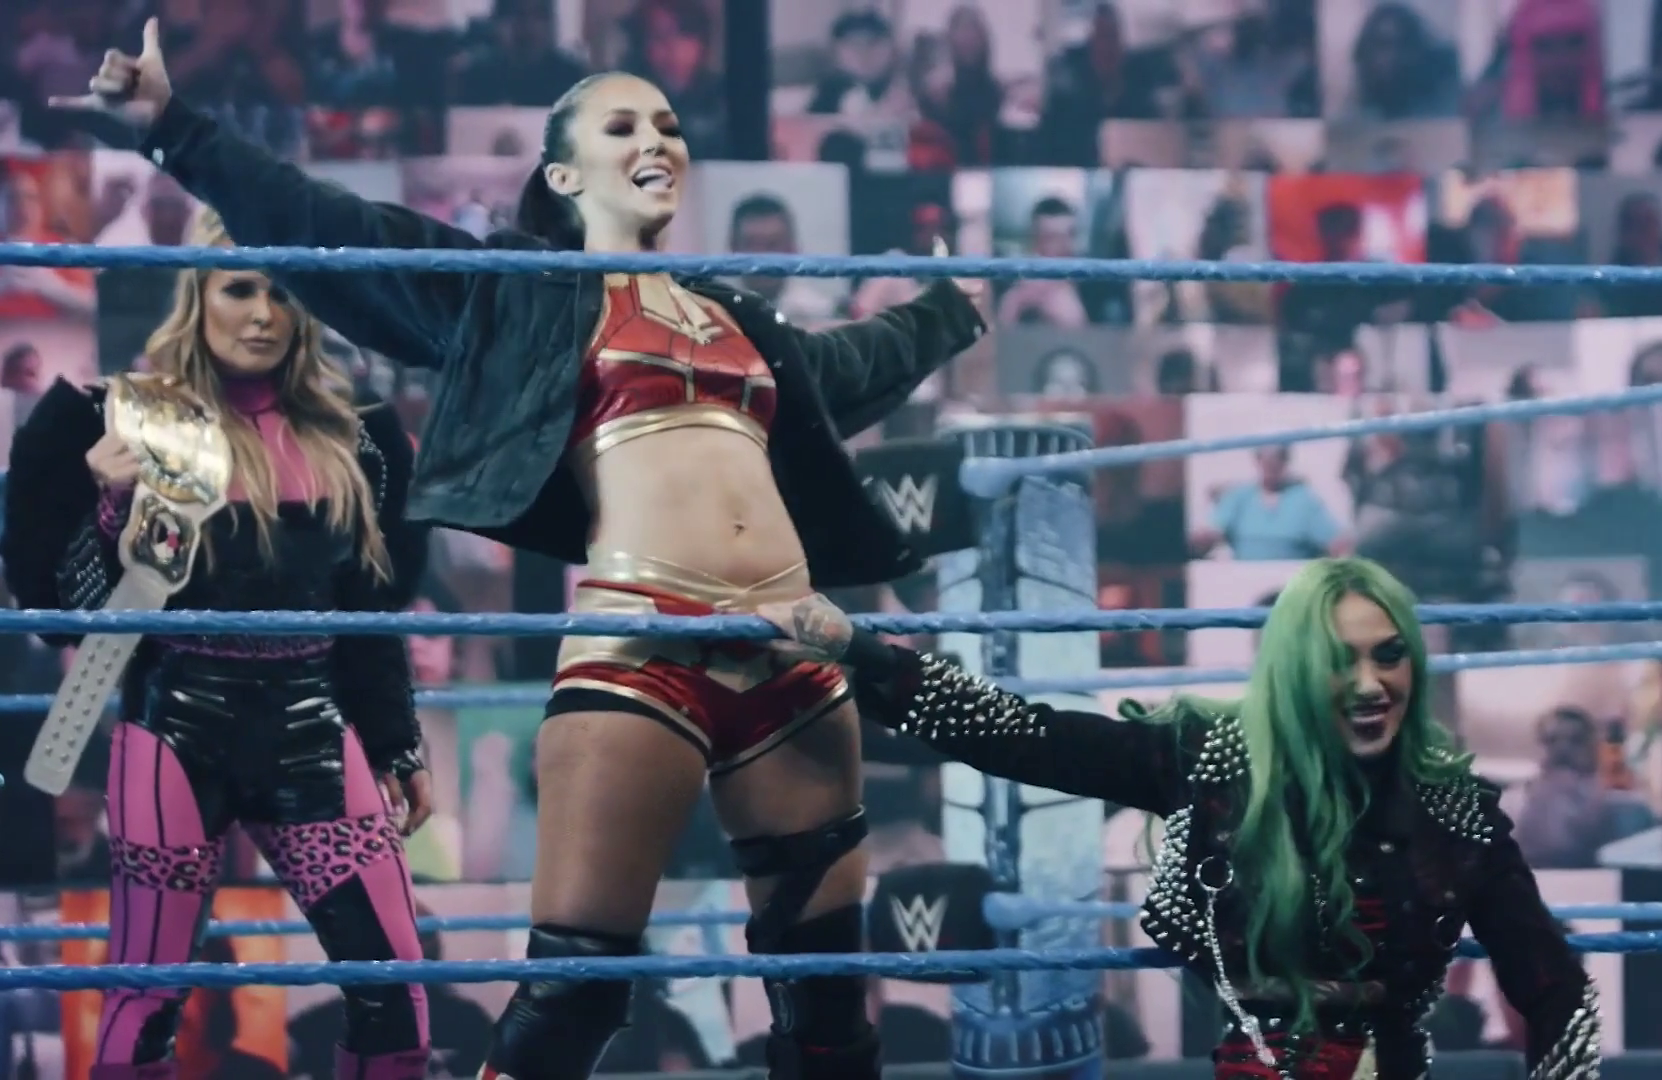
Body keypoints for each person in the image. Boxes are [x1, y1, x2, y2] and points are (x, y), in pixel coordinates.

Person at [54, 21, 988, 1080]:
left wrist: (948, 311)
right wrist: (173, 128)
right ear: (564, 172)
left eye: (668, 124)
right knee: (572, 994)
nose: (657, 139)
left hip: (791, 651)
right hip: (644, 645)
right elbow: (337, 231)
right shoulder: (520, 290)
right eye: (623, 125)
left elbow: (842, 372)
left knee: (828, 1005)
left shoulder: (732, 314)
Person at [755, 558, 1602, 1080]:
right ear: (1293, 670)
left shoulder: (1455, 810)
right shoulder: (1216, 762)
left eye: (1389, 655)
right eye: (1338, 660)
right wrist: (861, 654)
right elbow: (1027, 738)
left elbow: (1555, 987)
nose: (1370, 683)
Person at [1, 206, 433, 1080]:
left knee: (396, 993)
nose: (263, 314)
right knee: (145, 1003)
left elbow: (369, 610)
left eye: (283, 290)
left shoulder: (354, 436)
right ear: (198, 293)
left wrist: (396, 743)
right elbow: (63, 619)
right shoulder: (112, 418)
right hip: (175, 727)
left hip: (313, 727)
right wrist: (108, 505)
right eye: (240, 288)